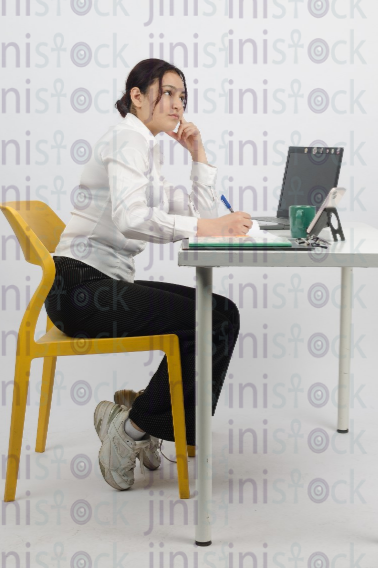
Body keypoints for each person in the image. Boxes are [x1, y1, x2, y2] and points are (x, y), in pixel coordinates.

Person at [44, 58, 252, 491]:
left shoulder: (145, 150)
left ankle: (140, 417)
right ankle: (132, 430)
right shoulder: (127, 138)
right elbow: (133, 218)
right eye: (168, 92)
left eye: (182, 95)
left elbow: (202, 214)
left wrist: (199, 156)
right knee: (210, 320)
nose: (177, 103)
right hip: (80, 289)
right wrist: (206, 227)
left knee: (222, 313)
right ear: (137, 96)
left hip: (102, 284)